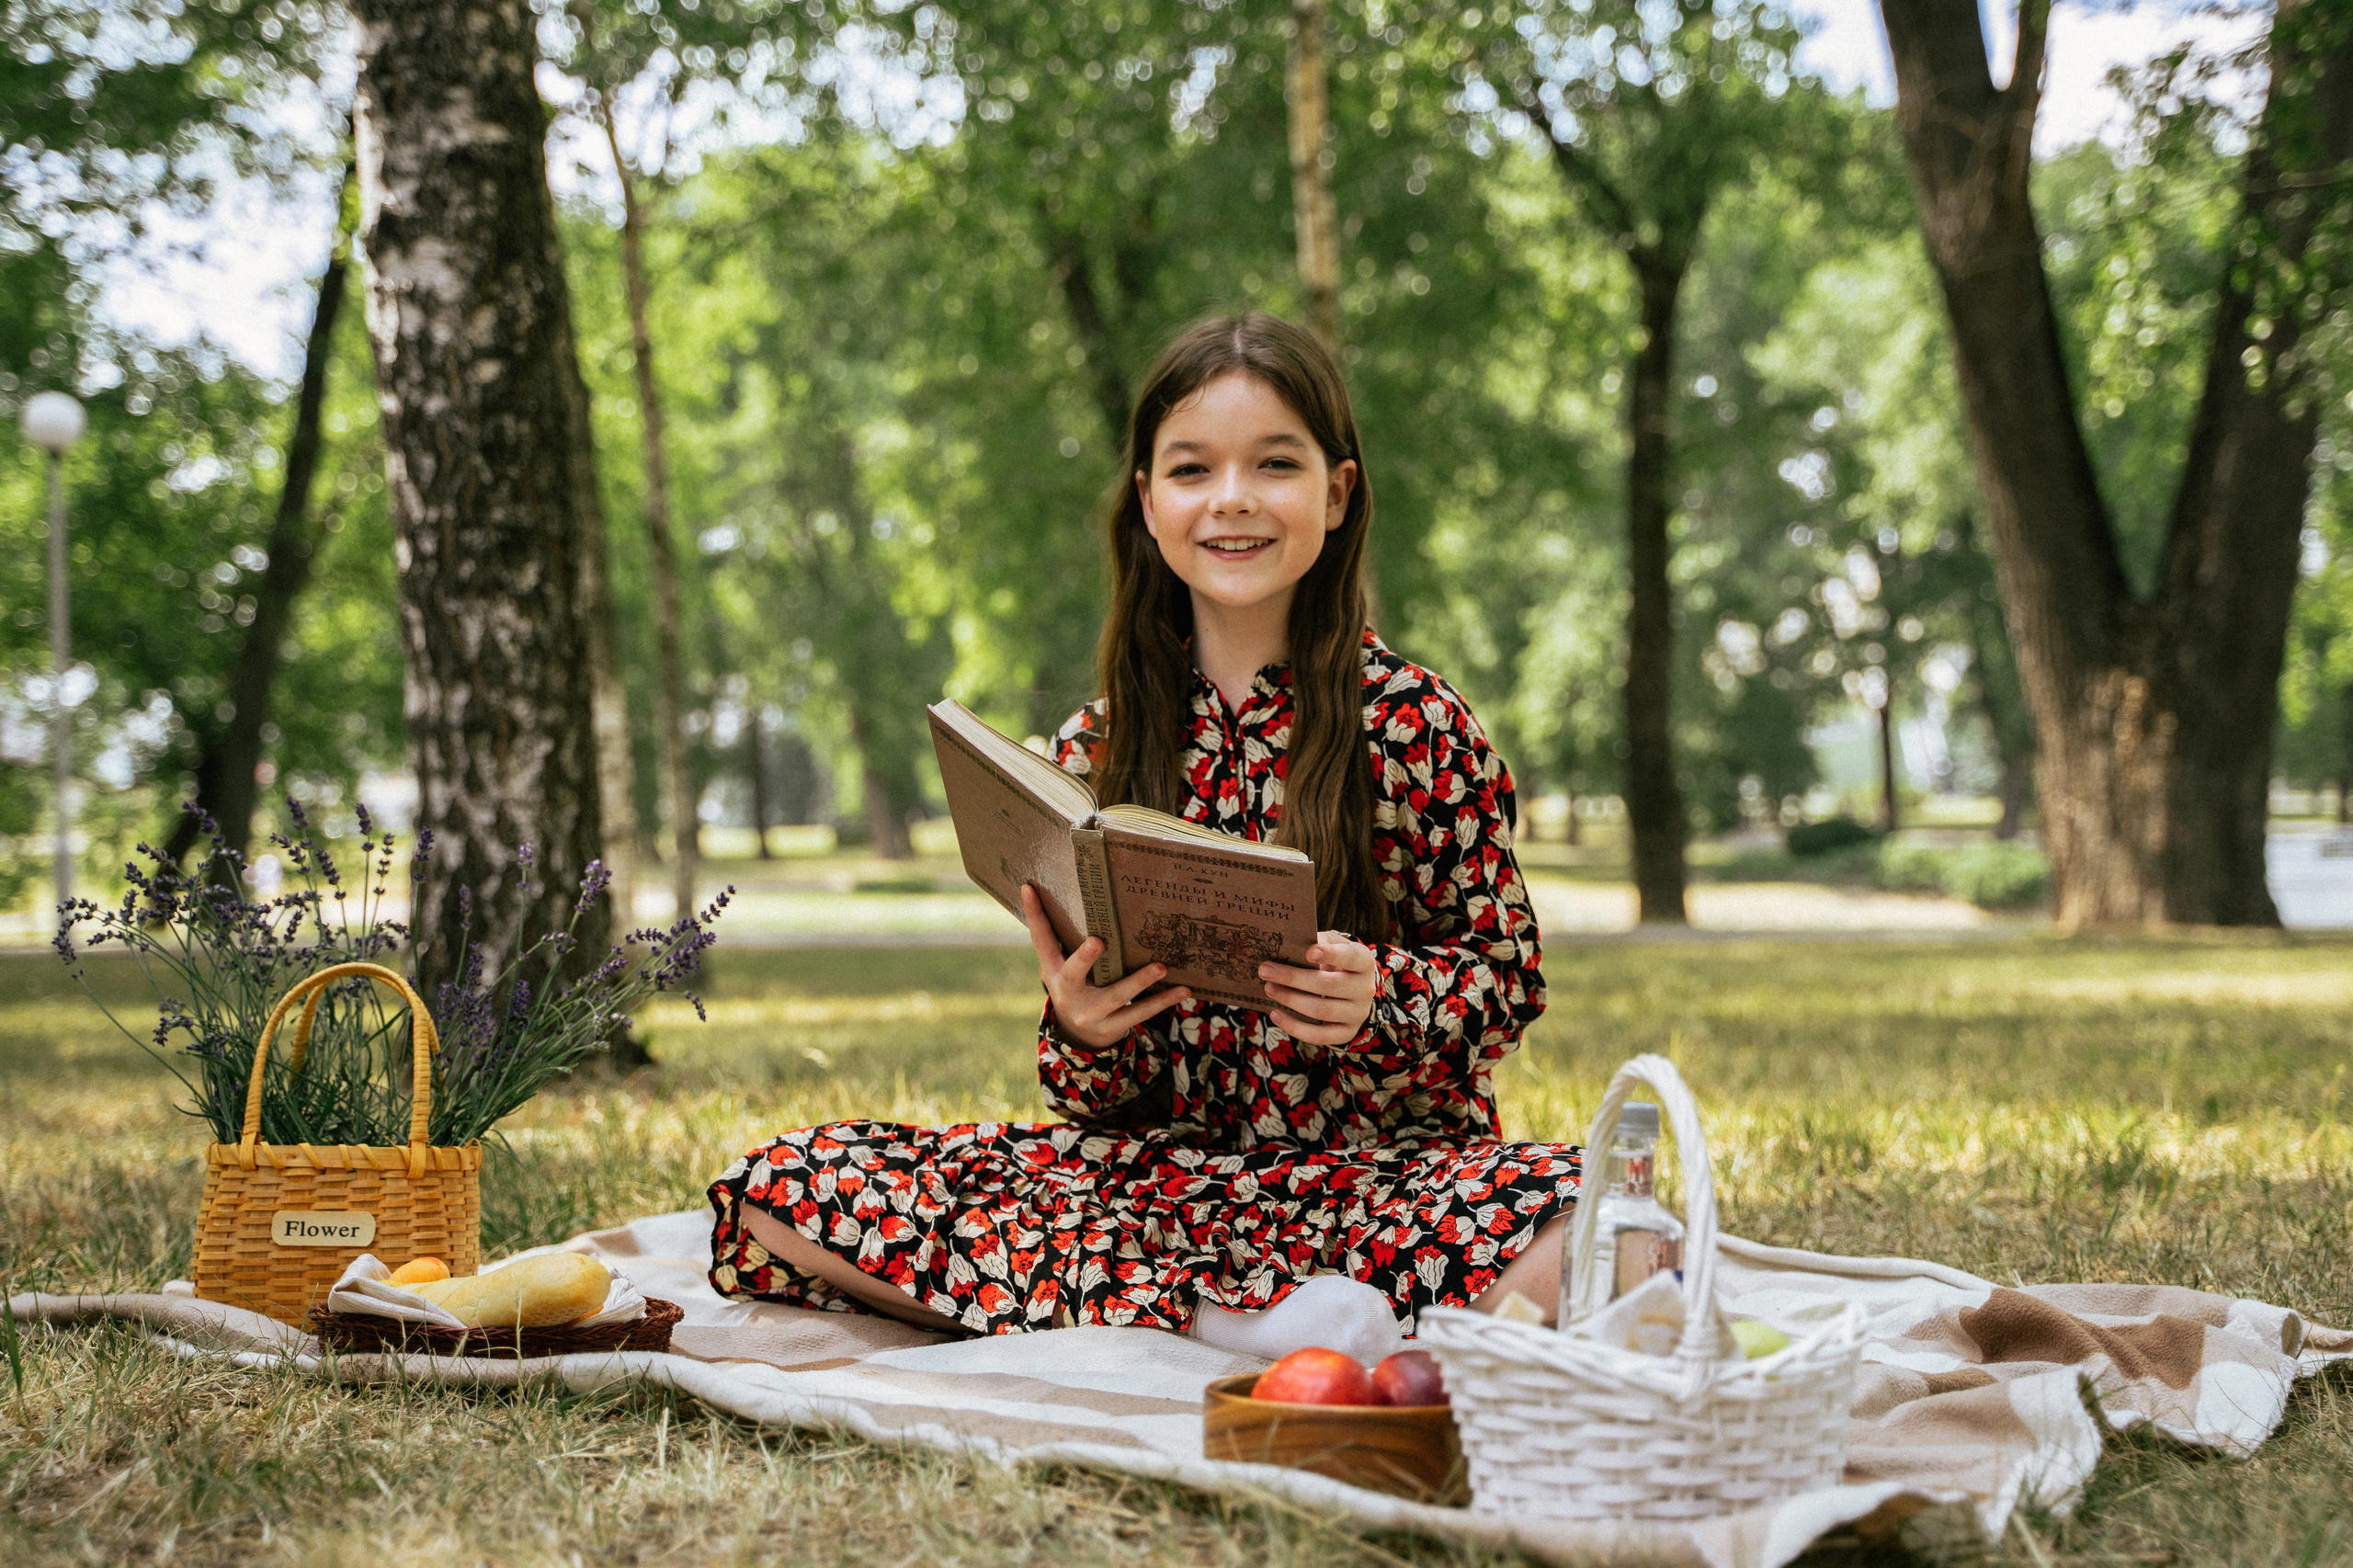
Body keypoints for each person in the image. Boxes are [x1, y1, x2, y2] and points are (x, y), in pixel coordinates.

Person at [708, 312, 1580, 1336]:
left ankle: (1162, 1318)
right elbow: (1090, 1099)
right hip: (1150, 1192)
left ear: (1337, 493)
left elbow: (1506, 982)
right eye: (1192, 469)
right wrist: (1081, 1027)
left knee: (1594, 1215)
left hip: (1380, 1186)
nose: (1232, 498)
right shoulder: (1092, 748)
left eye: (1275, 464)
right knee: (785, 1182)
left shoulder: (1417, 723)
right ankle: (1239, 1324)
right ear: (1149, 503)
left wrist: (1377, 998)